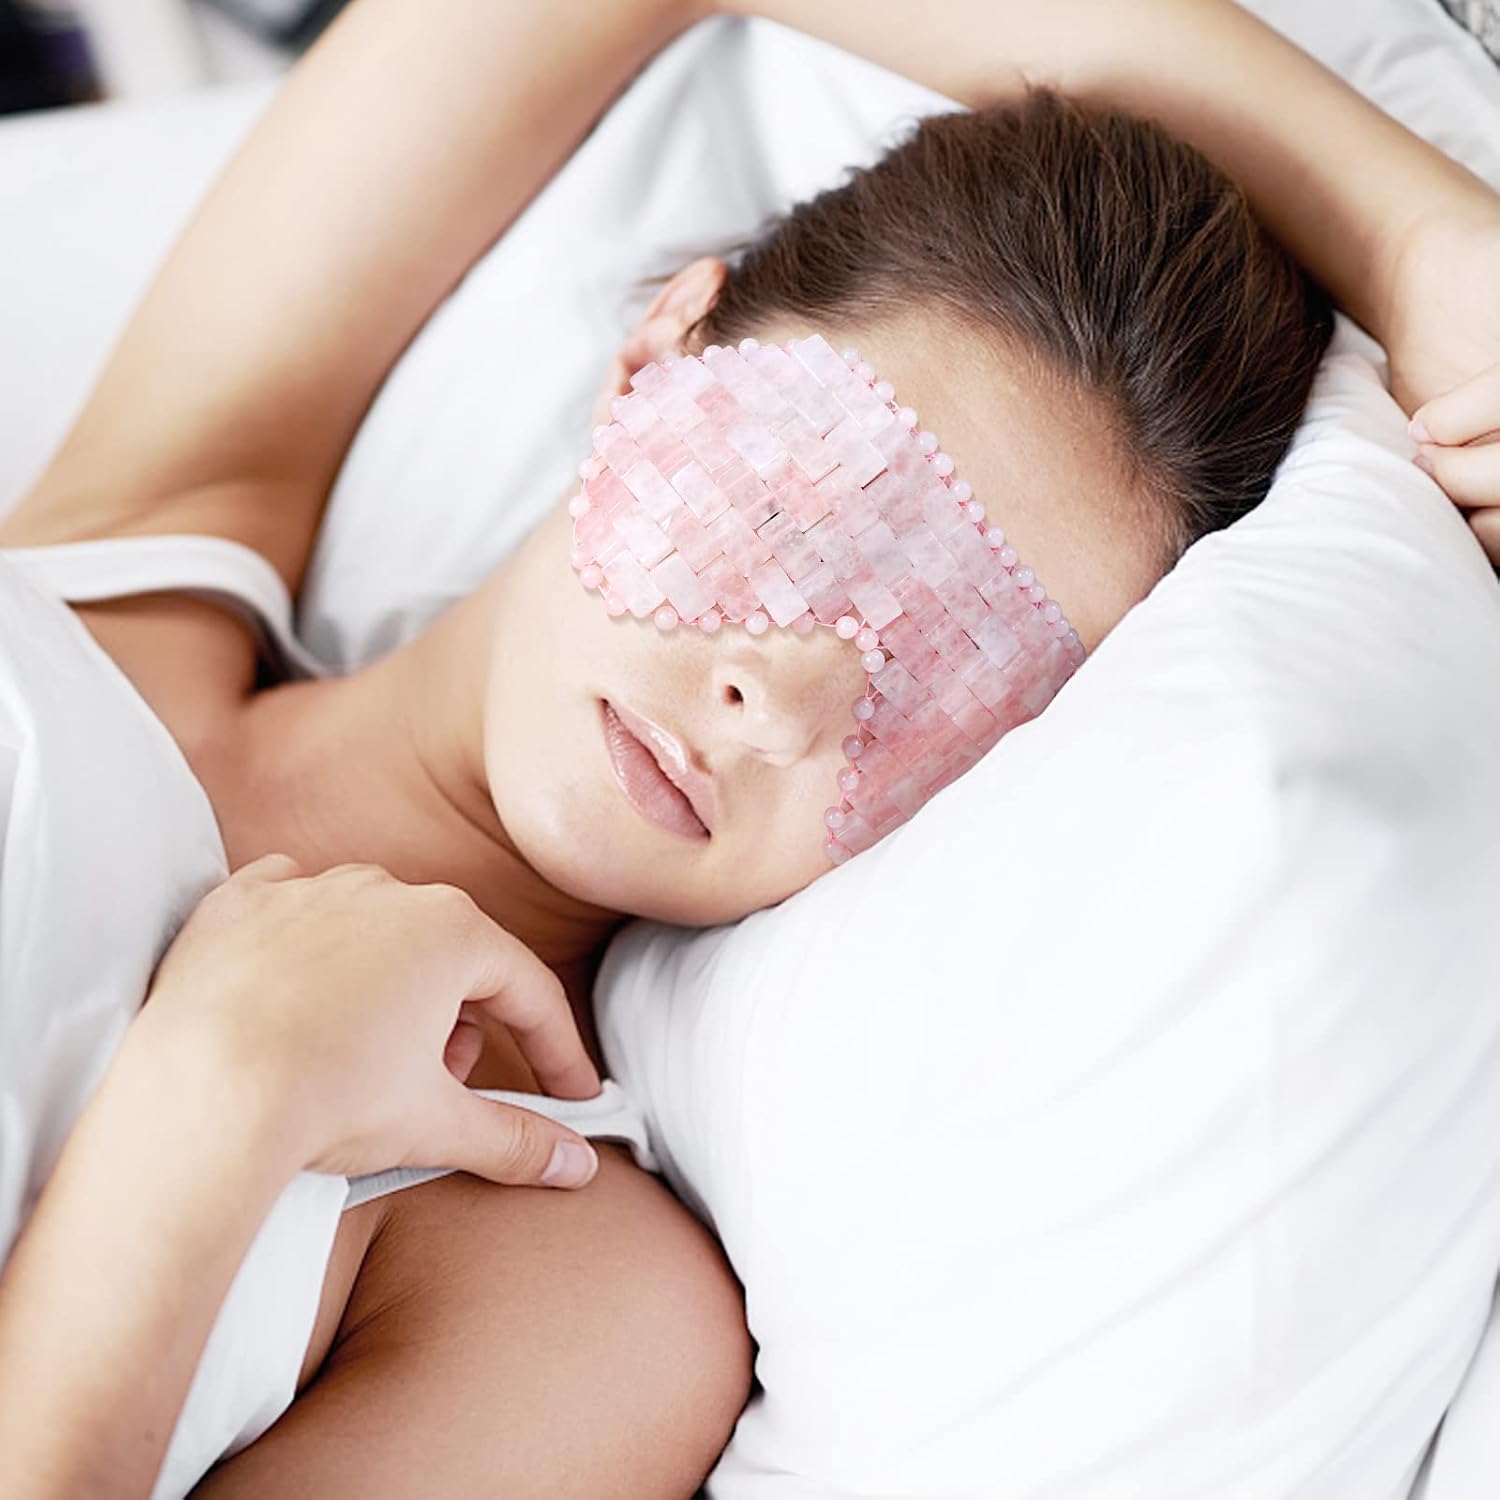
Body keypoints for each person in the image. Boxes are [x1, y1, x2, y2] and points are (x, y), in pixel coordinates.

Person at [0, 0, 1496, 1495]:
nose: (772, 707)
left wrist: (217, 1110)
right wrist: (1421, 235)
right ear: (659, 353)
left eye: (940, 674)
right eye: (795, 520)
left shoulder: (579, 1313)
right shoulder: (130, 547)